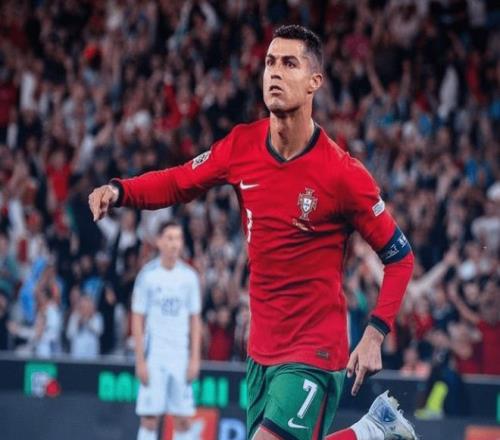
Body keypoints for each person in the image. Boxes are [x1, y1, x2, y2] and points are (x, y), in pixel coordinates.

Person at [89, 25, 417, 440]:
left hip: (315, 349)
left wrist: (374, 333)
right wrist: (120, 191)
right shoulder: (241, 146)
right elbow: (178, 181)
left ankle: (373, 430)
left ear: (315, 81)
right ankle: (373, 430)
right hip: (261, 352)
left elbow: (400, 257)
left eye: (290, 63)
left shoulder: (343, 174)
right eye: (270, 62)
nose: (275, 72)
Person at [131, 221, 202, 440]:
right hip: (155, 356)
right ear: (159, 241)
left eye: (178, 238)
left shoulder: (189, 277)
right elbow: (137, 318)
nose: (174, 244)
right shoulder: (148, 275)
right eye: (169, 238)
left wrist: (195, 358)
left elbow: (195, 319)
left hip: (180, 356)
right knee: (149, 418)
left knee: (183, 419)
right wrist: (140, 360)